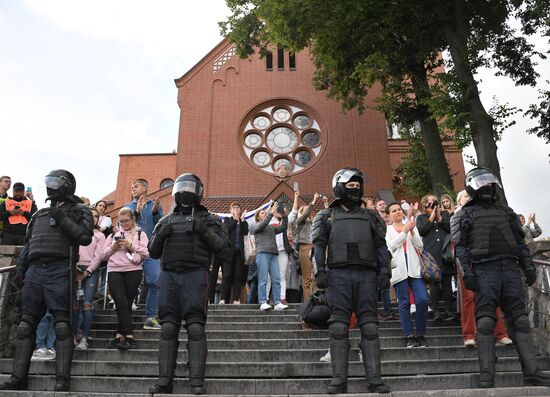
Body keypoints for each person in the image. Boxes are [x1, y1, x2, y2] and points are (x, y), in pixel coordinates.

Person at [451, 167, 550, 388]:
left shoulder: (507, 212)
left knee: (521, 320)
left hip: (510, 269)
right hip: (484, 271)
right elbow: (461, 249)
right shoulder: (463, 215)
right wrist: (467, 273)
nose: (486, 187)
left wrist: (528, 267)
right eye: (482, 184)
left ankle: (532, 372)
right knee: (485, 322)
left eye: (489, 184)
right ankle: (487, 376)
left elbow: (520, 244)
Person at [0, 169, 93, 392]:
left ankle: (62, 379)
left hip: (59, 269)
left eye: (55, 181)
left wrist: (61, 218)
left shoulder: (80, 210)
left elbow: (84, 237)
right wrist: (20, 271)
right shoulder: (39, 214)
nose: (51, 185)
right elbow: (29, 244)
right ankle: (18, 377)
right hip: (35, 271)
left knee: (62, 325)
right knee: (25, 326)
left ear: (67, 185)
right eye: (49, 181)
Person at [148, 173, 229, 394]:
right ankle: (165, 381)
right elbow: (153, 253)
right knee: (167, 328)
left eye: (190, 187)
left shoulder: (209, 219)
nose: (185, 191)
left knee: (195, 327)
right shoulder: (166, 221)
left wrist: (201, 229)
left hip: (195, 275)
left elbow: (223, 247)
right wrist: (161, 234)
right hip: (170, 276)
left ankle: (197, 382)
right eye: (182, 187)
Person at [312, 168, 391, 394]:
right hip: (339, 276)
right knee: (338, 327)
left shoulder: (371, 216)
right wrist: (320, 271)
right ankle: (339, 380)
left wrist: (385, 270)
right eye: (350, 185)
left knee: (370, 327)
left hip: (366, 275)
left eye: (358, 186)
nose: (355, 189)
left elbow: (380, 246)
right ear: (339, 187)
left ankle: (375, 379)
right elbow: (318, 246)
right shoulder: (326, 215)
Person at [454, 190, 512, 348]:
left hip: (486, 262)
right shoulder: (457, 217)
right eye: (464, 196)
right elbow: (457, 244)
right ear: (459, 202)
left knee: (493, 296)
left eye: (469, 195)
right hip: (466, 262)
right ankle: (469, 336)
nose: (468, 198)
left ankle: (501, 334)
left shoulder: (481, 213)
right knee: (468, 299)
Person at [102, 207, 149, 350]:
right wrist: (113, 248)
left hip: (133, 270)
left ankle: (119, 335)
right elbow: (103, 256)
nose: (124, 224)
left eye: (126, 221)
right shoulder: (112, 236)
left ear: (132, 220)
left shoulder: (141, 234)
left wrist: (130, 245)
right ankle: (129, 334)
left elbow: (147, 253)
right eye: (121, 221)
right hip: (115, 270)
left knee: (127, 303)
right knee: (120, 302)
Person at [385, 202, 429, 348]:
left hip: (414, 269)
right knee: (403, 303)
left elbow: (420, 246)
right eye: (393, 210)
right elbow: (390, 247)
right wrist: (404, 232)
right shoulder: (387, 230)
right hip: (399, 270)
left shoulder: (411, 226)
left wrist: (411, 232)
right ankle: (409, 335)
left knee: (422, 299)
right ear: (389, 215)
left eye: (399, 209)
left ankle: (421, 333)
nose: (397, 212)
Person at [126, 179, 164, 330]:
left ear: (145, 188)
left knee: (156, 280)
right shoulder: (128, 206)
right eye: (132, 187)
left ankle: (150, 317)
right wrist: (136, 211)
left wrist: (155, 213)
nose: (133, 189)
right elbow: (123, 225)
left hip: (149, 250)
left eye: (136, 186)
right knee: (128, 285)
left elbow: (160, 226)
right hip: (130, 249)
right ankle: (125, 318)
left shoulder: (154, 205)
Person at [73, 208, 106, 350]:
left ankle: (84, 338)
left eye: (96, 216)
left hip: (91, 271)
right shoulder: (75, 231)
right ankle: (73, 336)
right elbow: (71, 250)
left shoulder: (99, 235)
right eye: (90, 215)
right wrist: (74, 267)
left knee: (87, 304)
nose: (93, 218)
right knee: (74, 305)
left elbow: (98, 256)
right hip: (74, 269)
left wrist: (87, 271)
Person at [417, 194, 453, 321]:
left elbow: (450, 228)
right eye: (431, 201)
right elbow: (422, 231)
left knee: (447, 283)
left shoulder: (445, 214)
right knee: (434, 283)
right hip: (431, 254)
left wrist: (439, 216)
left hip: (445, 253)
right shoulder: (421, 217)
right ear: (425, 203)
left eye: (434, 200)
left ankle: (449, 310)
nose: (433, 202)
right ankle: (436, 310)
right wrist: (432, 217)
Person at [250, 203, 289, 311]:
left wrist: (285, 216)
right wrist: (271, 213)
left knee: (276, 279)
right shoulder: (255, 225)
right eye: (262, 213)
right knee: (263, 279)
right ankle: (262, 302)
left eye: (265, 212)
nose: (265, 213)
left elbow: (283, 227)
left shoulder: (271, 227)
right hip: (262, 253)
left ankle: (277, 302)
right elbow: (263, 224)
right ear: (258, 216)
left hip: (273, 254)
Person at [289, 191, 320, 300]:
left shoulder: (313, 223)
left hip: (315, 248)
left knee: (317, 276)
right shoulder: (299, 222)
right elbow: (305, 214)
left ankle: (316, 300)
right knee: (307, 278)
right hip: (305, 248)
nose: (306, 212)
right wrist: (314, 200)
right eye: (303, 211)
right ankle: (307, 303)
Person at [220, 202, 248, 304]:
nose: (236, 209)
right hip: (228, 252)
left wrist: (242, 220)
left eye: (238, 208)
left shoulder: (243, 221)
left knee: (237, 276)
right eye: (234, 208)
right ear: (231, 211)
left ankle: (236, 299)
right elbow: (226, 230)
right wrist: (235, 221)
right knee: (226, 275)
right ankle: (223, 299)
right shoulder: (227, 220)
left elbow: (245, 232)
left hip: (239, 253)